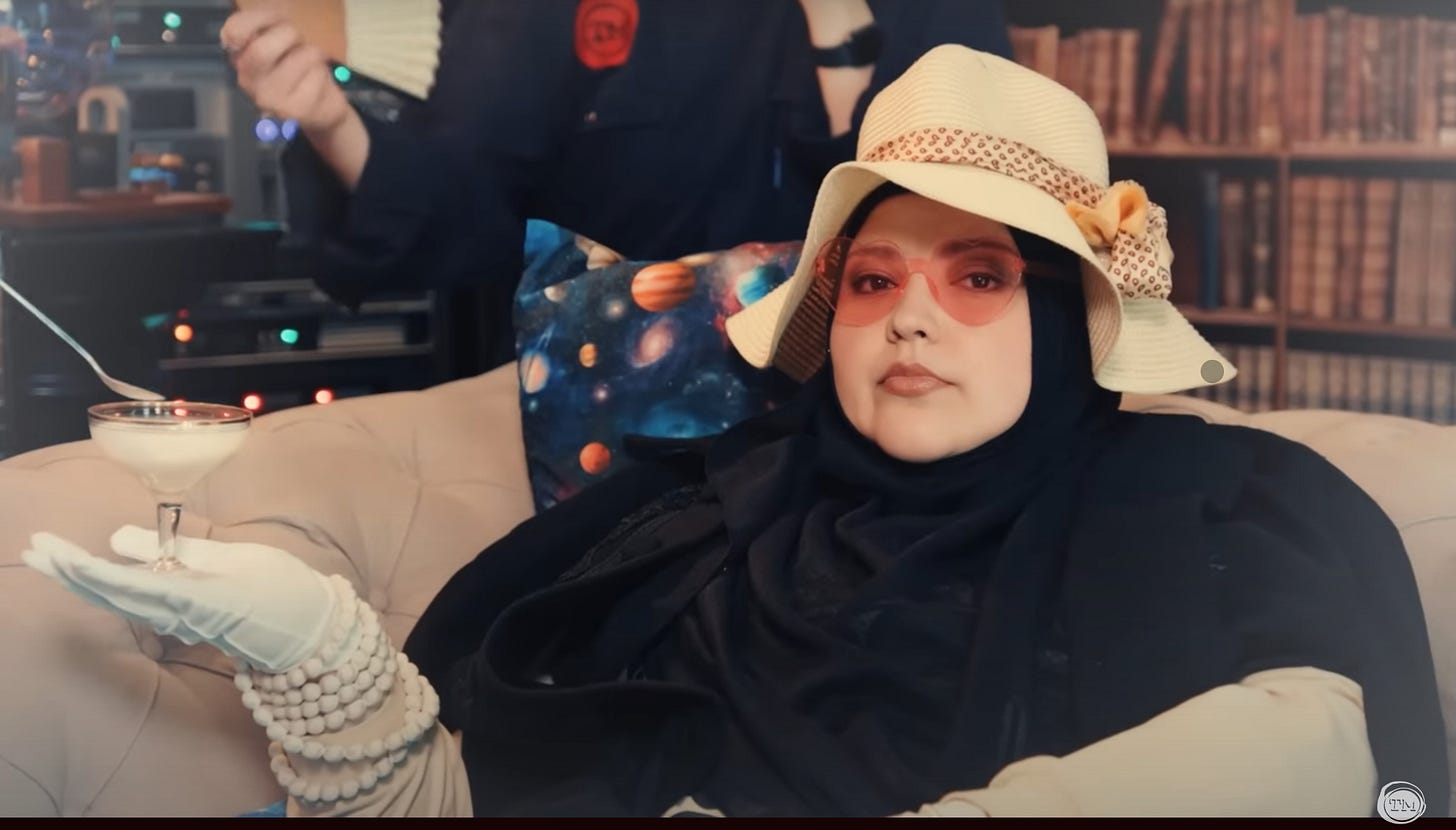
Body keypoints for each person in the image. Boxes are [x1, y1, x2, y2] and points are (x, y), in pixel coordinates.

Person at [22, 45, 1448, 817]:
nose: (908, 316)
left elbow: (1331, 761)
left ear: (1077, 321)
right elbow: (449, 790)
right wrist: (321, 655)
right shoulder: (694, 519)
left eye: (979, 275)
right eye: (874, 278)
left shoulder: (1230, 521)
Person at [220, 0, 1014, 375]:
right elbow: (464, 211)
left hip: (874, 416)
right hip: (613, 427)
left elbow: (967, 206)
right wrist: (331, 122)